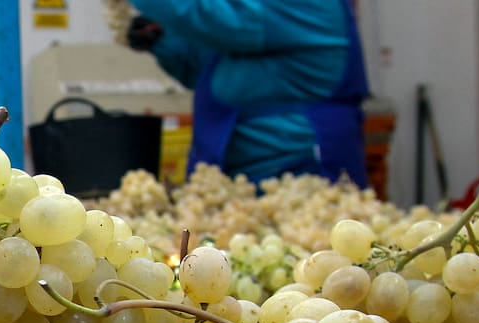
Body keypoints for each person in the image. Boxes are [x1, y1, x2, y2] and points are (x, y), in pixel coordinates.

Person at [126, 0, 369, 188]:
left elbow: (212, 17)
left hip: (297, 177)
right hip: (236, 181)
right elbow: (211, 71)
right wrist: (160, 41)